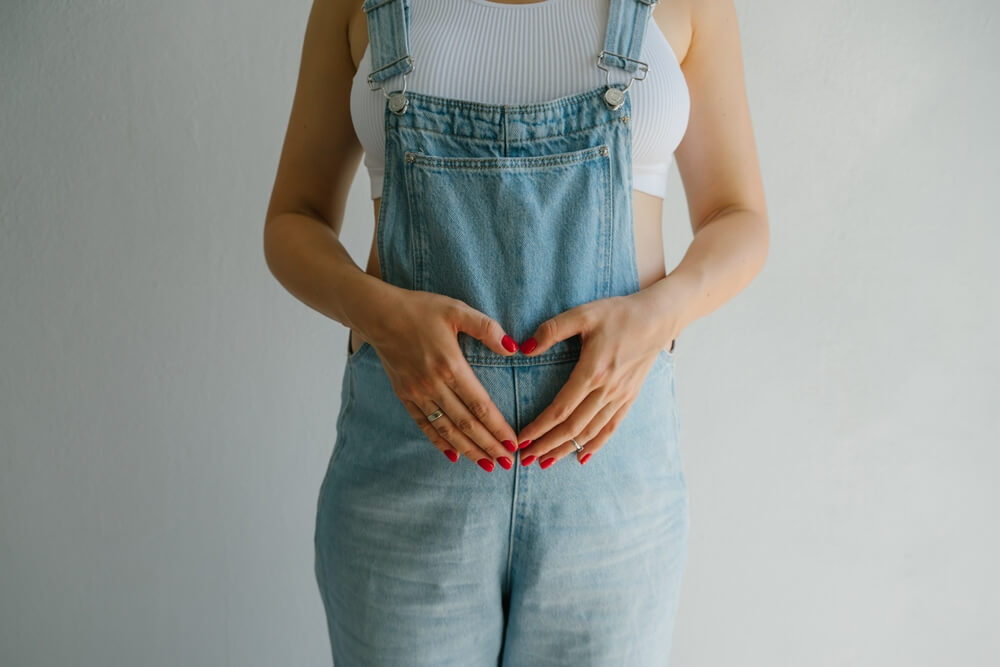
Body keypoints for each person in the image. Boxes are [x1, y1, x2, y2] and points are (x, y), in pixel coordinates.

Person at [263, 0, 768, 664]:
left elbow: (738, 216)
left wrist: (659, 313)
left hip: (611, 477)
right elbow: (293, 220)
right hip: (408, 465)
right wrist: (380, 314)